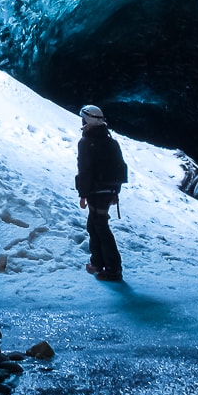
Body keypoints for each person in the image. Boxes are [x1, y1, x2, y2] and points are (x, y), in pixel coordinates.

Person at [74, 104, 127, 281]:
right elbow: (119, 168)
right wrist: (115, 192)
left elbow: (85, 170)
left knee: (100, 228)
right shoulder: (111, 141)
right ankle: (98, 263)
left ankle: (113, 268)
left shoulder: (86, 142)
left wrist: (82, 194)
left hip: (96, 191)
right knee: (95, 225)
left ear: (87, 120)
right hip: (109, 190)